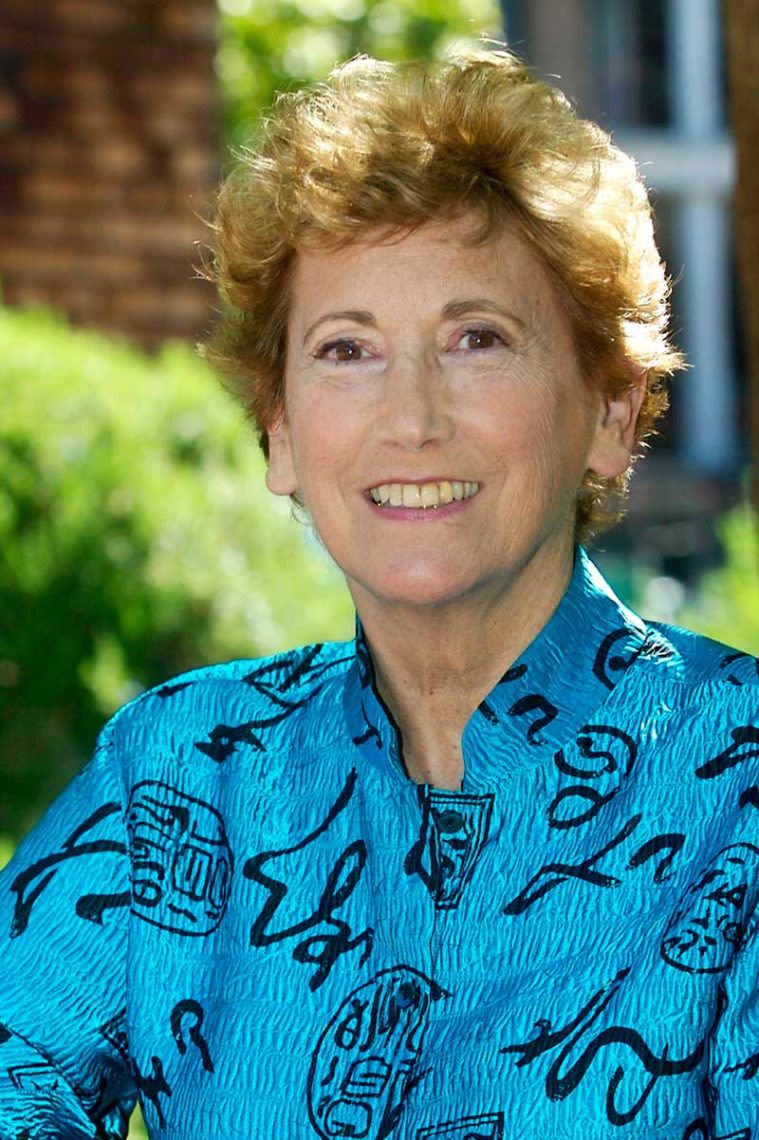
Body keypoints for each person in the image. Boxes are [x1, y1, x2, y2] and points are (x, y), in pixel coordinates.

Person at [0, 48, 756, 1140]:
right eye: (347, 349)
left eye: (476, 339)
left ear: (607, 409)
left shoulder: (741, 787)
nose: (412, 416)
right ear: (279, 431)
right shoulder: (181, 770)